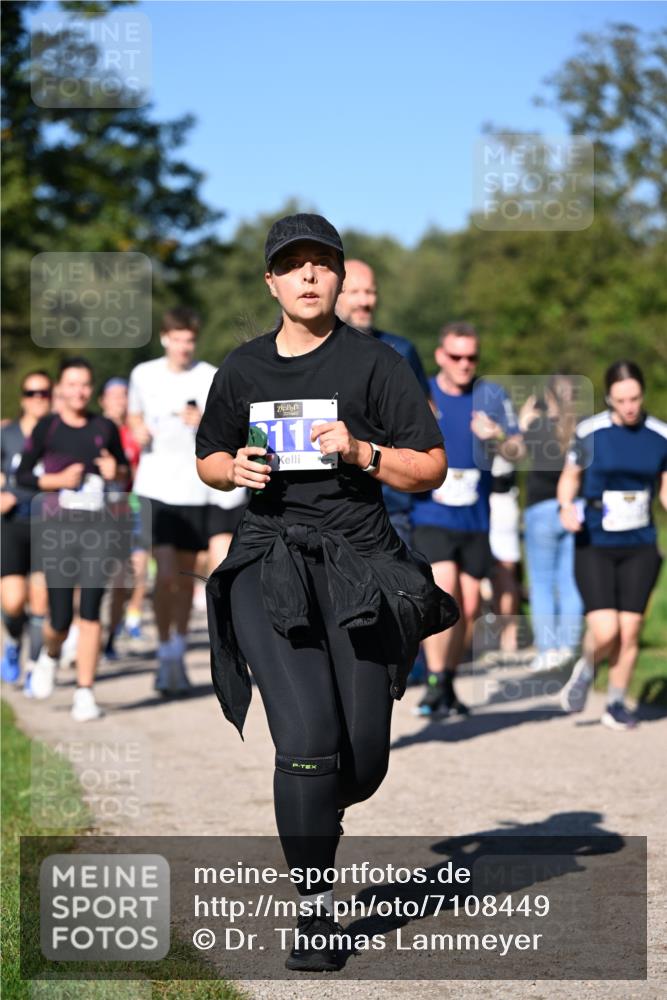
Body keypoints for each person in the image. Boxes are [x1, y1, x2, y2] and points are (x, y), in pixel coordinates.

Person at [196, 213, 458, 972]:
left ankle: (318, 813)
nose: (309, 276)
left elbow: (432, 465)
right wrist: (232, 470)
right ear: (271, 281)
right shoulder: (241, 369)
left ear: (340, 278)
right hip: (268, 562)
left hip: (360, 568)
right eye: (293, 265)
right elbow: (208, 455)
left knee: (362, 763)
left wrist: (364, 450)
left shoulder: (377, 365)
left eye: (322, 263)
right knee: (307, 743)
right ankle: (315, 911)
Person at [411, 322, 523, 717]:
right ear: (441, 355)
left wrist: (496, 436)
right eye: (456, 356)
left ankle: (449, 682)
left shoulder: (491, 395)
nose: (464, 364)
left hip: (475, 517)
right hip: (432, 512)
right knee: (444, 592)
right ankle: (434, 680)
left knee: (470, 604)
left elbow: (518, 449)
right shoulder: (423, 392)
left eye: (471, 357)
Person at [16, 357, 128, 721]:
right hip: (58, 529)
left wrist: (117, 471)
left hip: (98, 527)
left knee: (92, 610)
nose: (78, 391)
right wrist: (58, 480)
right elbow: (22, 478)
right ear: (60, 389)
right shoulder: (48, 427)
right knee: (60, 618)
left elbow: (124, 472)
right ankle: (48, 656)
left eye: (84, 384)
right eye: (71, 384)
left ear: (91, 389)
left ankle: (85, 692)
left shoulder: (104, 427)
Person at [558, 360, 666, 730]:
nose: (630, 406)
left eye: (635, 398)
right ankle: (587, 668)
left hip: (641, 542)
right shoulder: (590, 432)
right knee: (606, 631)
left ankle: (617, 704)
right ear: (609, 399)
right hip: (595, 542)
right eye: (622, 400)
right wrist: (564, 509)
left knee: (631, 630)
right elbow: (569, 479)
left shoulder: (660, 434)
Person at [128, 308, 216, 696]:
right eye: (178, 338)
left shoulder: (209, 375)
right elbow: (132, 417)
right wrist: (138, 429)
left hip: (195, 488)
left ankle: (177, 649)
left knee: (184, 578)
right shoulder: (143, 374)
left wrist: (203, 423)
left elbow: (222, 425)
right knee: (164, 576)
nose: (184, 346)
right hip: (155, 486)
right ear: (165, 338)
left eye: (190, 340)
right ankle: (164, 653)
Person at [335, 258, 430, 546]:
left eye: (371, 292)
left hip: (390, 505)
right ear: (335, 293)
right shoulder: (309, 351)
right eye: (355, 292)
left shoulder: (400, 350)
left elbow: (424, 423)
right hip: (331, 504)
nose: (365, 302)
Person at [520, 375, 584, 671]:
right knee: (569, 581)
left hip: (542, 511)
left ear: (550, 398)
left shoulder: (536, 427)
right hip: (574, 509)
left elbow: (514, 449)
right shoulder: (583, 431)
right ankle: (569, 648)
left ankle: (548, 649)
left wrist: (525, 420)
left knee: (542, 584)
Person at [1, 371, 53, 687]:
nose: (38, 399)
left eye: (44, 393)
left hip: (47, 523)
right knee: (12, 601)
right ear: (23, 398)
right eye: (32, 393)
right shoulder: (7, 434)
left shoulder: (58, 434)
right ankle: (13, 642)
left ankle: (34, 667)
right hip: (11, 522)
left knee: (41, 599)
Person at [98, 377, 149, 658]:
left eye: (124, 395)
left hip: (131, 508)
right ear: (102, 400)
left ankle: (116, 632)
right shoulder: (93, 429)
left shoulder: (134, 433)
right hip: (96, 511)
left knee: (130, 574)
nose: (119, 400)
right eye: (113, 395)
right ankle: (78, 633)